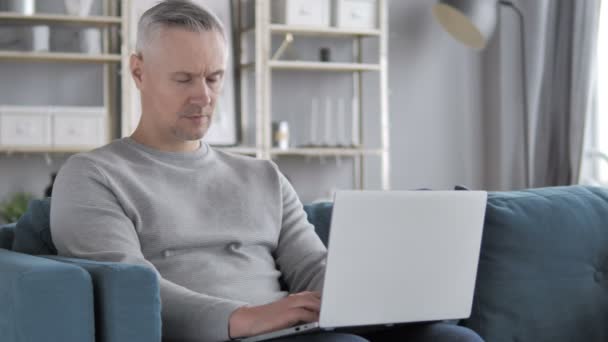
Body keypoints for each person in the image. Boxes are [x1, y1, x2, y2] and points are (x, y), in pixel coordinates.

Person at [50, 1, 483, 342]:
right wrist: (244, 317)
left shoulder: (263, 177)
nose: (203, 96)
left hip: (290, 328)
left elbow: (312, 267)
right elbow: (129, 290)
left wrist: (378, 296)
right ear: (139, 72)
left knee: (453, 337)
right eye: (183, 79)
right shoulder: (92, 176)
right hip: (228, 333)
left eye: (214, 78)